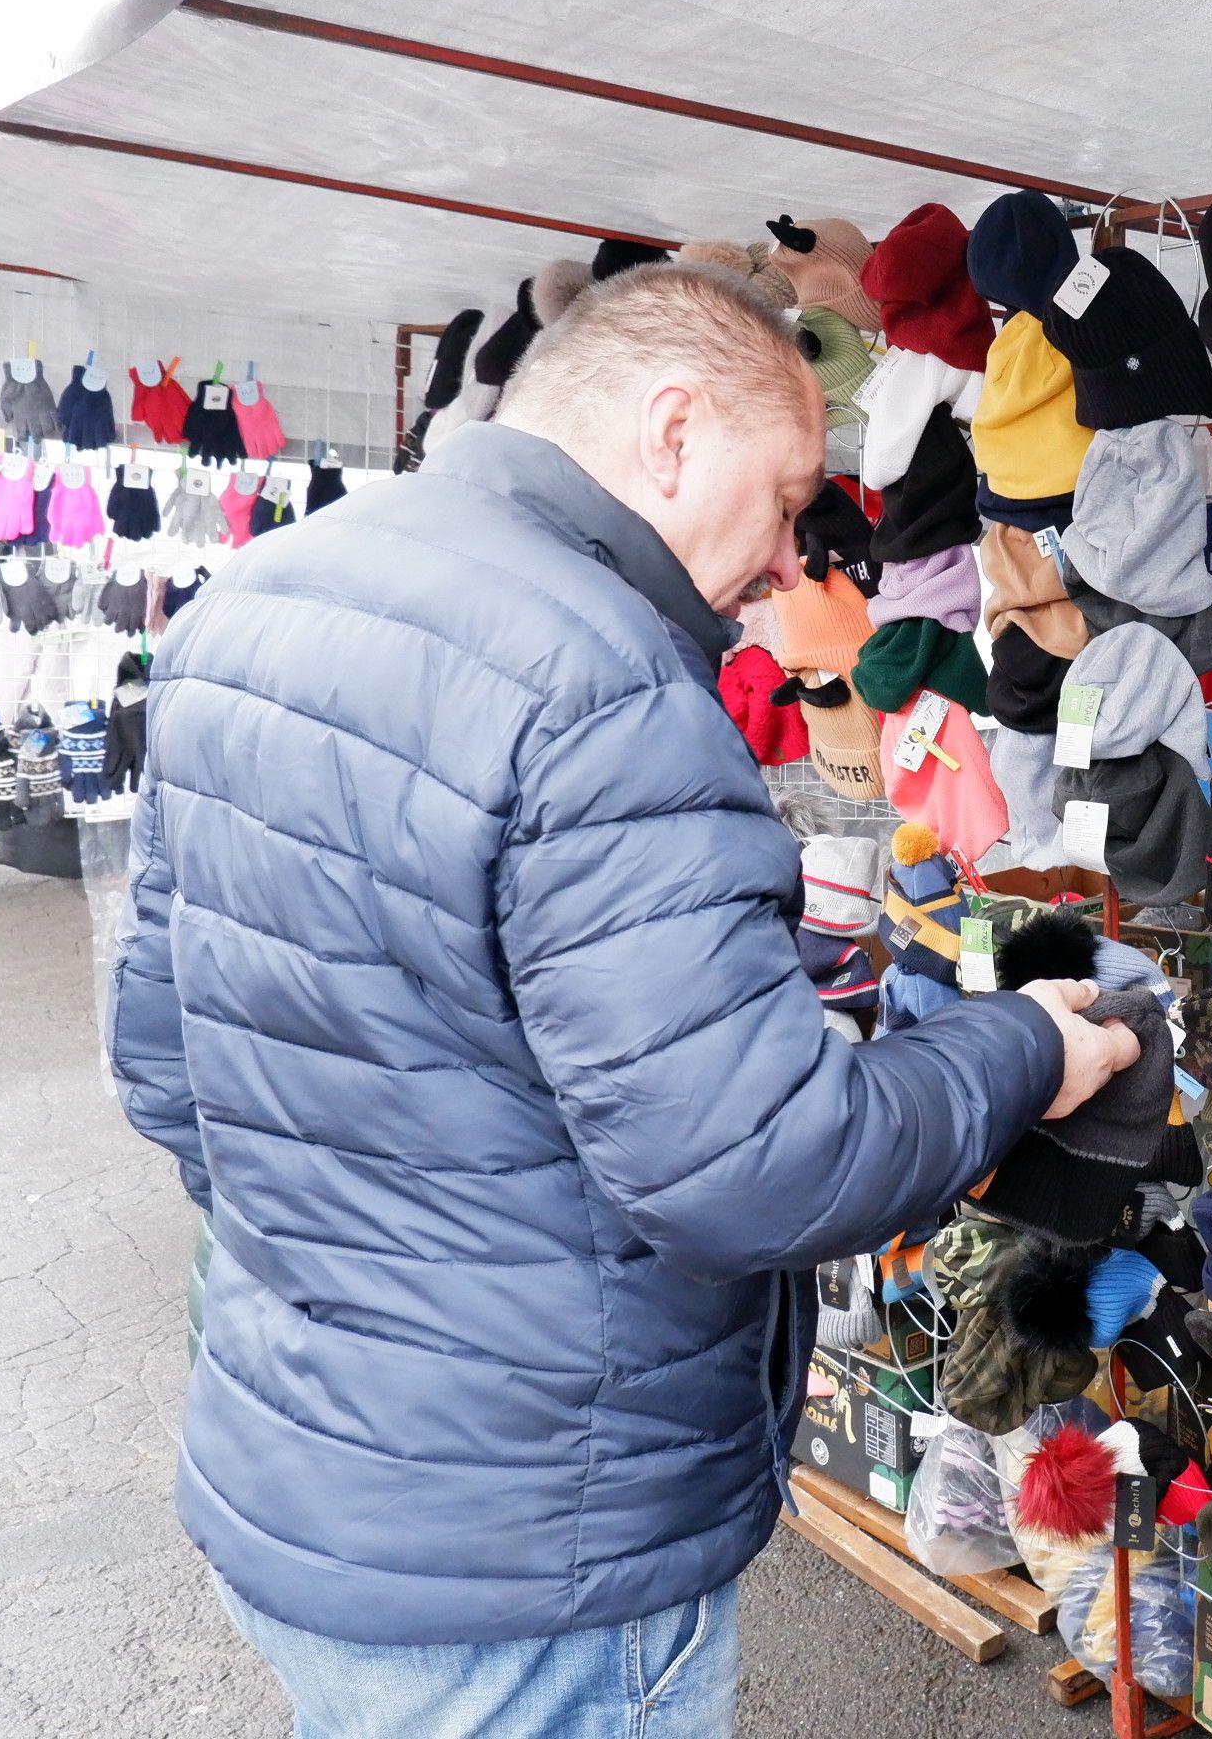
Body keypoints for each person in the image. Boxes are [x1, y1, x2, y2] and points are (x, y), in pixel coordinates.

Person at [106, 262, 1137, 1736]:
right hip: (532, 1558)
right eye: (785, 501)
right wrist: (1023, 1044)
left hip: (299, 1474)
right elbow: (765, 1167)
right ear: (673, 430)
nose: (787, 562)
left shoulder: (255, 599)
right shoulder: (603, 684)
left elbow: (163, 1066)